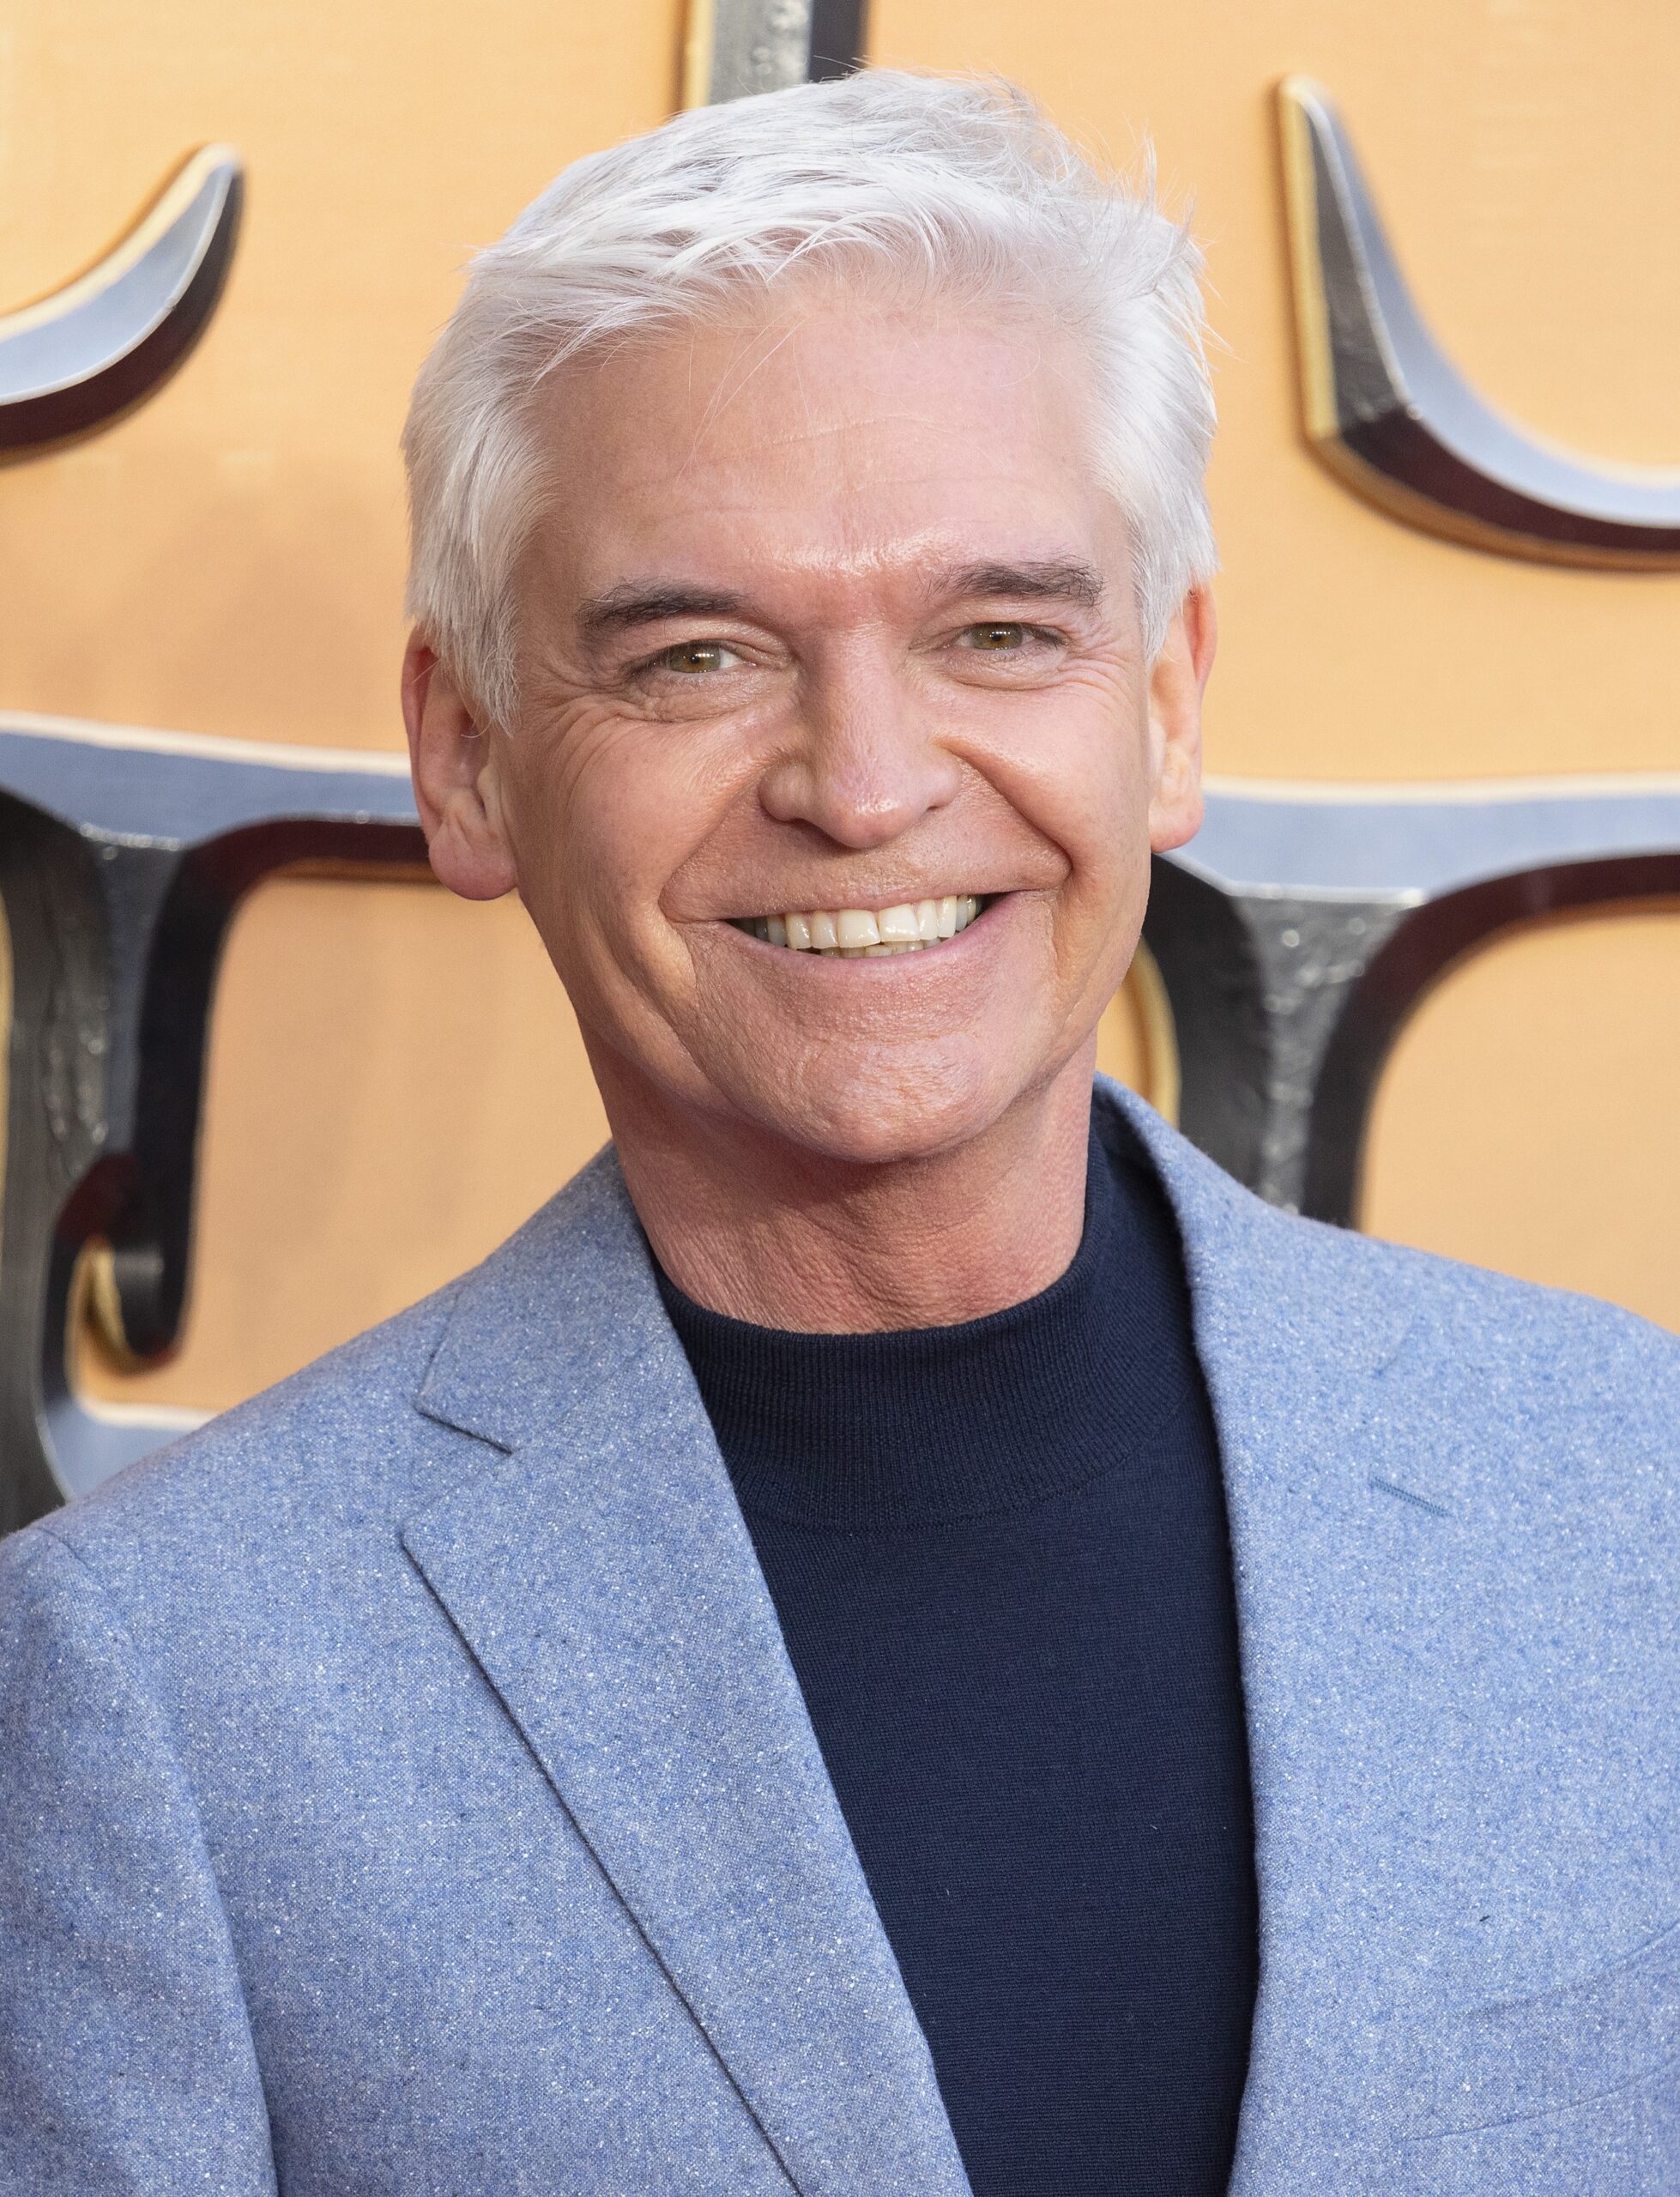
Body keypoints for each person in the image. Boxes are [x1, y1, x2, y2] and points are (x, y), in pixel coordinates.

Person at [1, 69, 1675, 2197]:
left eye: (996, 631)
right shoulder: (150, 1684)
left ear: (1161, 703)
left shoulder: (1628, 1490)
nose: (867, 784)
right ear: (469, 757)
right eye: (696, 654)